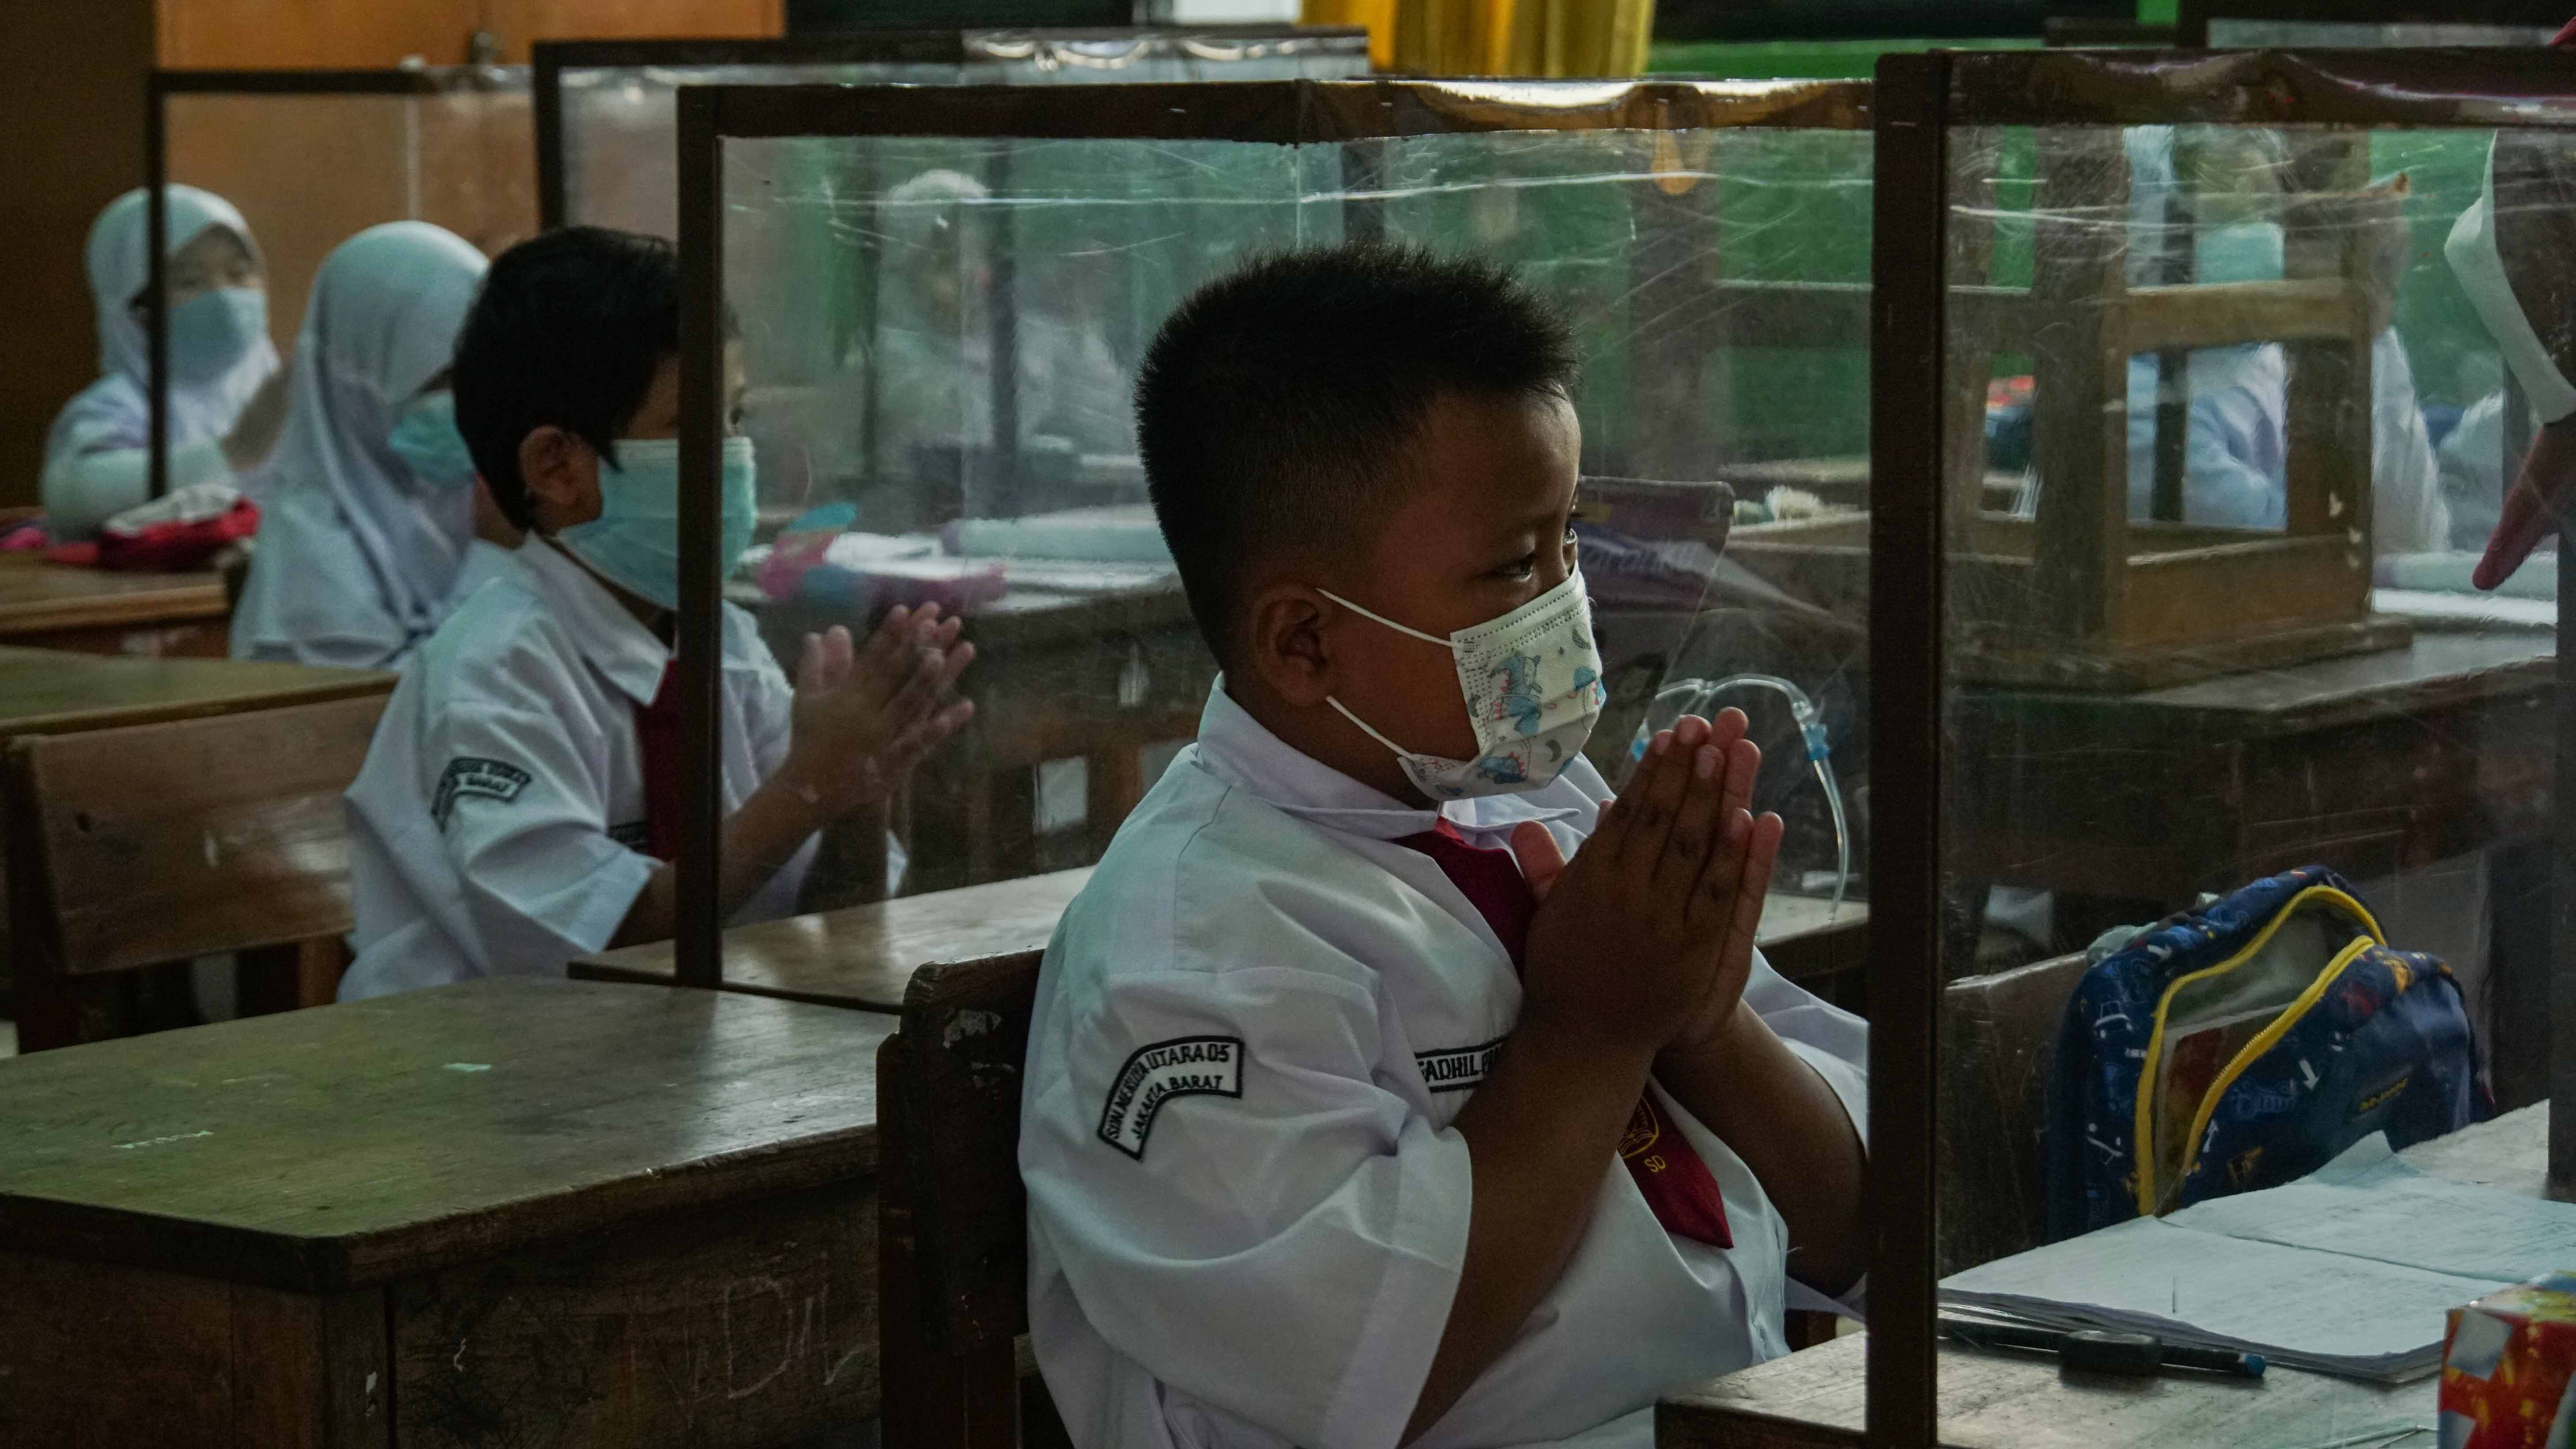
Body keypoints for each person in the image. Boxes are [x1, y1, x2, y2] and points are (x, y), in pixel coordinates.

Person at [1018, 245, 1868, 1449]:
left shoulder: (1542, 806)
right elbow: (1371, 1363)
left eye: (1568, 543)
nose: (1565, 601)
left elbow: (1857, 1225)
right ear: (1304, 642)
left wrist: (1700, 1019)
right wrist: (1593, 1031)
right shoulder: (1194, 949)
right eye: (1514, 565)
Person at [339, 227, 975, 1000]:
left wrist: (856, 799)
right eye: (695, 426)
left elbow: (827, 922)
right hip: (479, 1059)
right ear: (558, 468)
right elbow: (604, 954)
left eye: (736, 419)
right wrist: (809, 785)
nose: (734, 456)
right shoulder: (495, 673)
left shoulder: (722, 644)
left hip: (671, 1051)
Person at [230, 222, 517, 669]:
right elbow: (379, 703)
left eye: (480, 375)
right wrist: (494, 556)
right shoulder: (313, 549)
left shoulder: (470, 495)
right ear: (359, 383)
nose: (470, 403)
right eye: (441, 380)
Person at [42, 186, 287, 539]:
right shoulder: (118, 405)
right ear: (136, 310)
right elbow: (73, 496)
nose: (224, 297)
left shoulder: (282, 391)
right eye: (190, 281)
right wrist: (233, 452)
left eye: (238, 273)